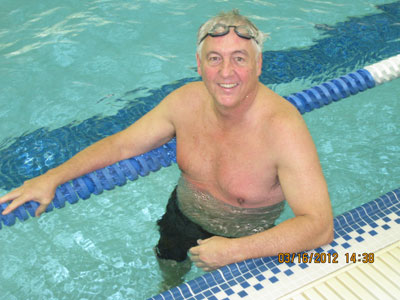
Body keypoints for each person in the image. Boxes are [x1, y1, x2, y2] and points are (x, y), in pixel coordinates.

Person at [0, 9, 333, 284]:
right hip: (181, 217)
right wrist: (52, 178)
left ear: (258, 65)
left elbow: (319, 226)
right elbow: (120, 145)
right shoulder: (184, 102)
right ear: (199, 65)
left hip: (248, 238)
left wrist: (236, 251)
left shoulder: (282, 129)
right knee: (169, 271)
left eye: (239, 59)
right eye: (214, 59)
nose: (226, 72)